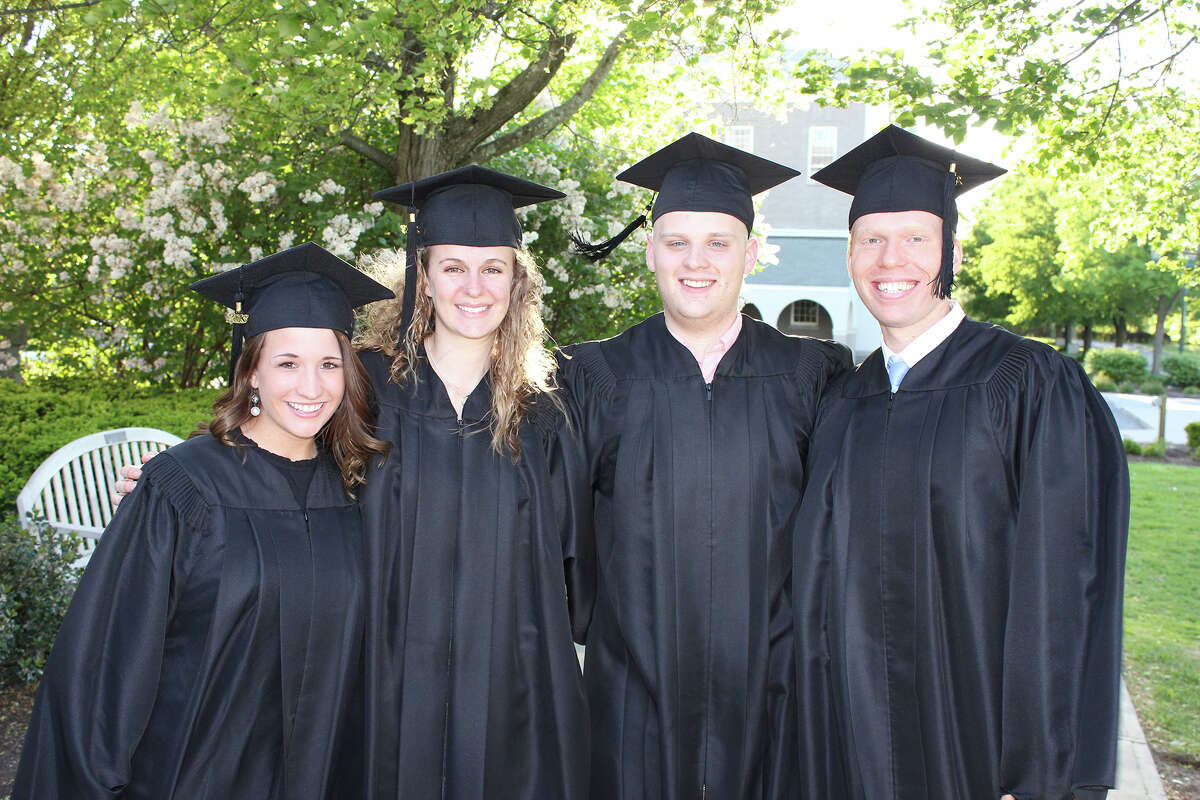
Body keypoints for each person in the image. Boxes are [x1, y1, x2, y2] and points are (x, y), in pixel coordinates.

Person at [793, 125, 1129, 800]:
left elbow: (1065, 587)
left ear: (952, 248)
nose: (893, 259)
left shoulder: (1029, 384)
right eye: (873, 240)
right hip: (850, 744)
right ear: (851, 255)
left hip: (977, 747)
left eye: (917, 238)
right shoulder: (842, 400)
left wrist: (1036, 771)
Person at [14, 243, 393, 799]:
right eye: (287, 363)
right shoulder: (183, 486)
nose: (311, 387)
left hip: (326, 773)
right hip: (195, 775)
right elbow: (110, 659)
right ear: (252, 371)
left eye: (329, 364)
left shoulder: (359, 489)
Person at [561, 132, 851, 799]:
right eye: (677, 242)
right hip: (631, 698)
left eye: (718, 242)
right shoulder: (594, 376)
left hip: (772, 693)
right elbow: (564, 538)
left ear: (752, 253)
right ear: (651, 252)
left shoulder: (811, 376)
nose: (697, 262)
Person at [357, 166, 592, 798]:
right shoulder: (364, 388)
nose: (474, 286)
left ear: (517, 283)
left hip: (511, 686)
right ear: (422, 276)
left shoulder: (542, 413)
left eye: (494, 267)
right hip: (381, 676)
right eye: (453, 266)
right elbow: (278, 453)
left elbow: (576, 561)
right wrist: (188, 478)